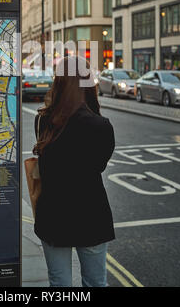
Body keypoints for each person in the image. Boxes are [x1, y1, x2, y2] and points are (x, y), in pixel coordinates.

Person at [33, 55, 115, 287]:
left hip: (53, 214)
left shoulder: (42, 121)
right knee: (95, 283)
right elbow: (98, 166)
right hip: (91, 214)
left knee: (59, 284)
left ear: (58, 82)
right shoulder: (101, 126)